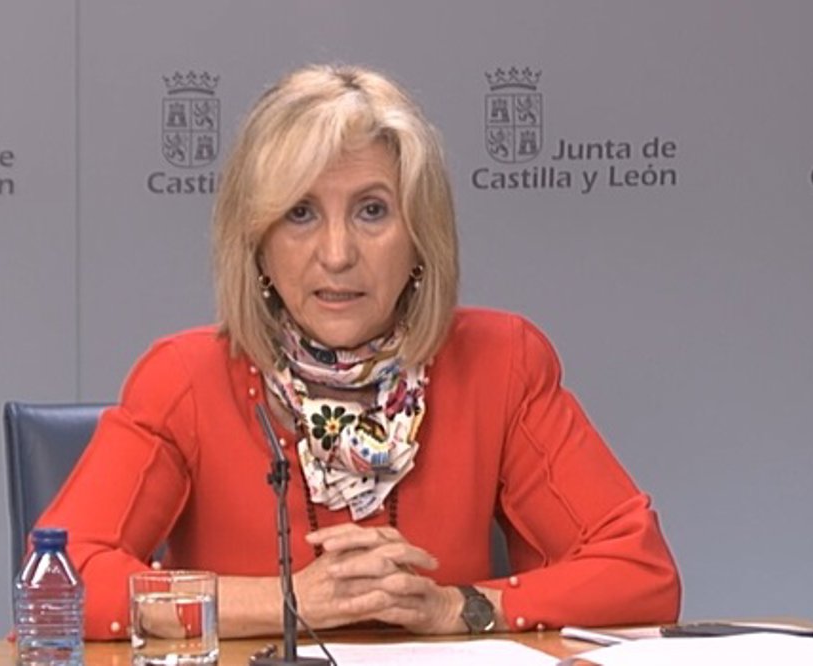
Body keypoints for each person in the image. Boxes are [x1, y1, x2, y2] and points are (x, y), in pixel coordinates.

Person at [36, 64, 680, 641]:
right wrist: (291, 601)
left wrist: (457, 606)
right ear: (256, 243)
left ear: (421, 237)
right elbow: (58, 583)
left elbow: (641, 573)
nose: (338, 254)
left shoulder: (501, 364)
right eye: (300, 213)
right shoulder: (184, 379)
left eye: (372, 211)